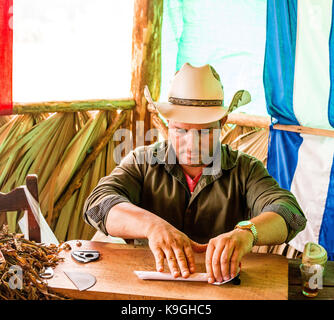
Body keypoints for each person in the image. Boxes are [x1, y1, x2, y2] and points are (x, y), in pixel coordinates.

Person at [83, 63, 306, 284]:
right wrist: (152, 226)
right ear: (167, 122)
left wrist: (247, 232)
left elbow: (290, 212)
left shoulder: (245, 169)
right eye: (181, 130)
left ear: (222, 123)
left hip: (222, 286)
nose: (192, 144)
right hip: (149, 281)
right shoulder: (142, 162)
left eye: (205, 131)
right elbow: (97, 204)